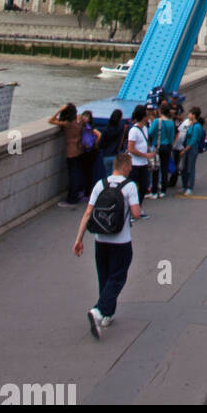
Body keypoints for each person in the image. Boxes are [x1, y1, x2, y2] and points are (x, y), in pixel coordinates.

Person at [73, 151, 142, 338]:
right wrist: (138, 209)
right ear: (126, 166)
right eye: (131, 165)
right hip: (121, 241)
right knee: (118, 278)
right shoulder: (129, 187)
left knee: (104, 277)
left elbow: (88, 213)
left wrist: (79, 239)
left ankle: (107, 315)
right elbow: (136, 213)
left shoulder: (100, 184)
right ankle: (98, 310)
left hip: (100, 240)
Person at [49, 103, 87, 206]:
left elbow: (51, 120)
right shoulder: (79, 121)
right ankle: (79, 194)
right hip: (80, 150)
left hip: (71, 151)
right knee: (78, 173)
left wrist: (59, 110)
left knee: (72, 176)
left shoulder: (67, 123)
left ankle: (72, 199)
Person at [126, 105, 154, 212]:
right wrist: (145, 155)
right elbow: (131, 149)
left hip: (143, 164)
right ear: (143, 117)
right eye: (147, 115)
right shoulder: (134, 131)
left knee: (144, 186)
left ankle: (138, 208)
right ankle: (130, 210)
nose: (148, 116)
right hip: (134, 164)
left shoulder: (145, 128)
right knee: (132, 188)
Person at [149, 100, 176, 197]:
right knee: (164, 168)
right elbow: (172, 137)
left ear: (160, 111)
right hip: (167, 147)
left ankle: (155, 191)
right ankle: (164, 190)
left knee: (156, 168)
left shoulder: (157, 121)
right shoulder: (171, 123)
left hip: (157, 146)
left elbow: (150, 133)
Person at [178, 107, 205, 195]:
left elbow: (193, 140)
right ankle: (184, 186)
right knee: (184, 167)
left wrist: (184, 150)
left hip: (192, 149)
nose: (188, 115)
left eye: (190, 114)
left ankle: (190, 187)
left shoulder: (197, 127)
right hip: (187, 147)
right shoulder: (191, 125)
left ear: (194, 115)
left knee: (190, 167)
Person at [95, 110, 125, 184]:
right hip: (116, 155)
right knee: (117, 177)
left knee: (108, 177)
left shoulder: (106, 129)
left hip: (107, 155)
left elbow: (101, 144)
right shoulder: (121, 128)